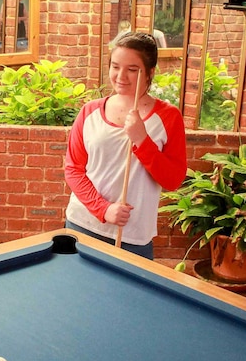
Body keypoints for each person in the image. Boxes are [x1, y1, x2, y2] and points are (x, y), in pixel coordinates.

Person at [65, 31, 187, 258]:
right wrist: (104, 209)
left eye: (132, 70)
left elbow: (173, 180)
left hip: (132, 236)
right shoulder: (89, 111)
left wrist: (142, 140)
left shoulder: (168, 117)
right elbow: (73, 170)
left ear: (150, 72)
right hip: (82, 224)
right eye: (115, 66)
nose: (121, 76)